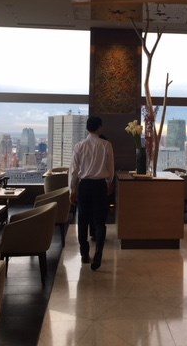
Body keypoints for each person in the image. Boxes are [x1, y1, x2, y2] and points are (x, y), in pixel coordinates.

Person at [69, 116, 115, 270]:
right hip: (100, 186)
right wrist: (108, 183)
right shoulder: (106, 145)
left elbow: (73, 171)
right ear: (99, 128)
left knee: (82, 221)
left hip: (84, 186)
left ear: (87, 128)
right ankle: (98, 254)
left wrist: (72, 190)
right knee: (100, 222)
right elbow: (111, 169)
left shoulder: (79, 146)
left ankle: (84, 254)